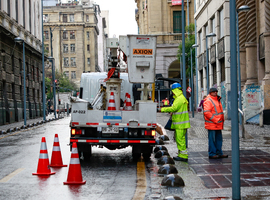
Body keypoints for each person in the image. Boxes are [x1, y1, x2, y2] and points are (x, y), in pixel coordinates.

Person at [161, 83, 190, 162]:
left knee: (180, 140)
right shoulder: (181, 98)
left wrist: (162, 109)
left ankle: (183, 156)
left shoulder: (179, 99)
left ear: (175, 90)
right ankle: (181, 155)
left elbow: (174, 108)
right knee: (180, 139)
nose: (172, 93)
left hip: (180, 123)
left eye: (173, 91)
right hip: (181, 123)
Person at [203, 87, 228, 159]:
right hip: (212, 124)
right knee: (213, 140)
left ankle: (219, 152)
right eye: (214, 92)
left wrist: (220, 120)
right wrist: (216, 119)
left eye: (216, 91)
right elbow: (207, 112)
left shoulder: (217, 99)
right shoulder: (209, 100)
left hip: (218, 124)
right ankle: (212, 153)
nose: (215, 93)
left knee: (218, 139)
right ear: (210, 93)